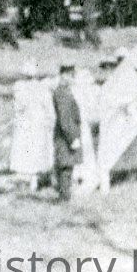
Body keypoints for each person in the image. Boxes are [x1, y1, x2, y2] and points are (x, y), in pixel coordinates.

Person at [51, 64, 82, 202]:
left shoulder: (64, 91)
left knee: (67, 167)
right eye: (70, 75)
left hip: (65, 135)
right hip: (65, 136)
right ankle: (64, 198)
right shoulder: (62, 93)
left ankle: (64, 197)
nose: (72, 78)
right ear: (63, 75)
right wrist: (72, 138)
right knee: (65, 167)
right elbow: (64, 119)